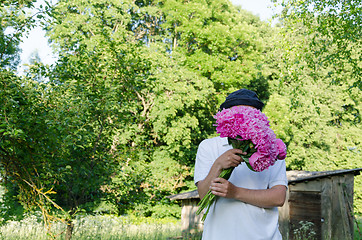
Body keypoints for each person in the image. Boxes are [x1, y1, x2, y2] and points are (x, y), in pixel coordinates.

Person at [194, 89, 288, 240]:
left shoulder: (272, 149)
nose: (244, 119)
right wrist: (218, 164)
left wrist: (235, 192)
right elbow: (203, 195)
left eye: (250, 114)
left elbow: (278, 198)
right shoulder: (208, 147)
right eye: (238, 113)